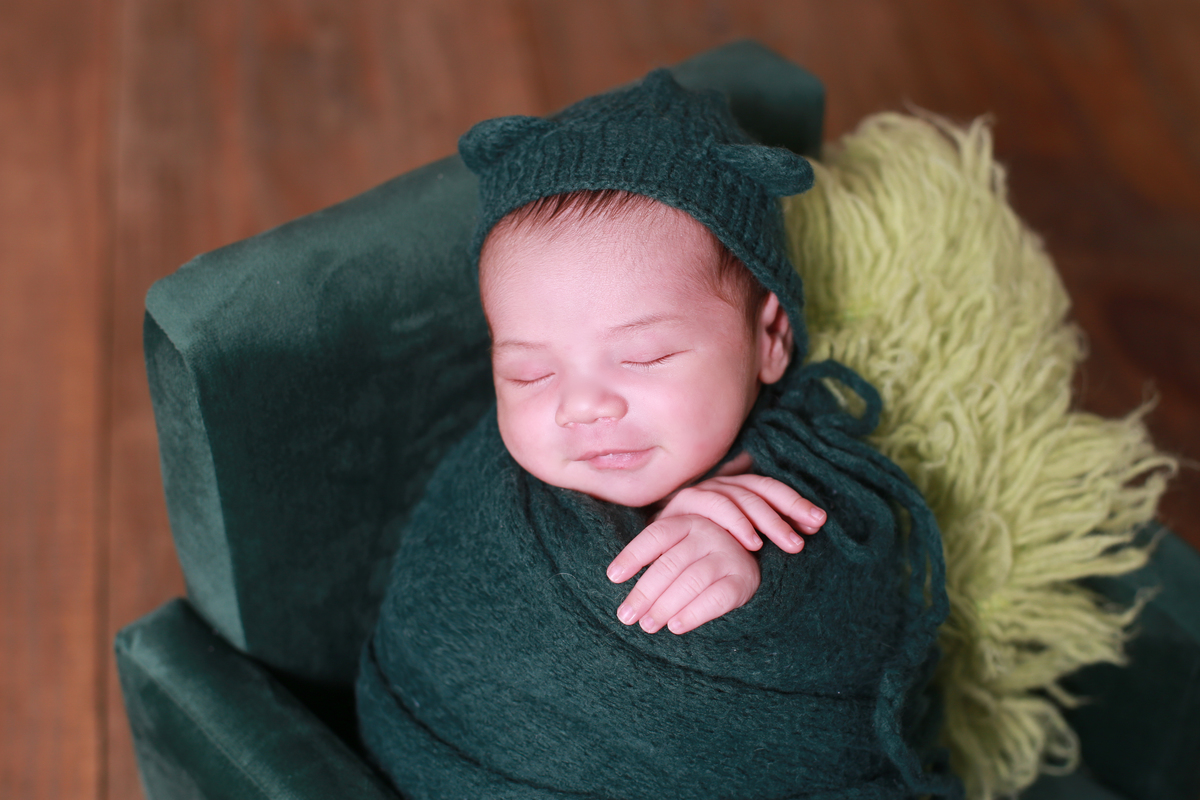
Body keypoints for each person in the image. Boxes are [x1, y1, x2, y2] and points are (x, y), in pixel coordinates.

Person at [357, 68, 960, 800]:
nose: (583, 405)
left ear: (769, 337)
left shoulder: (815, 483)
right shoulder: (495, 491)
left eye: (643, 357)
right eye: (528, 373)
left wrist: (764, 580)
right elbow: (431, 622)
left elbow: (871, 627)